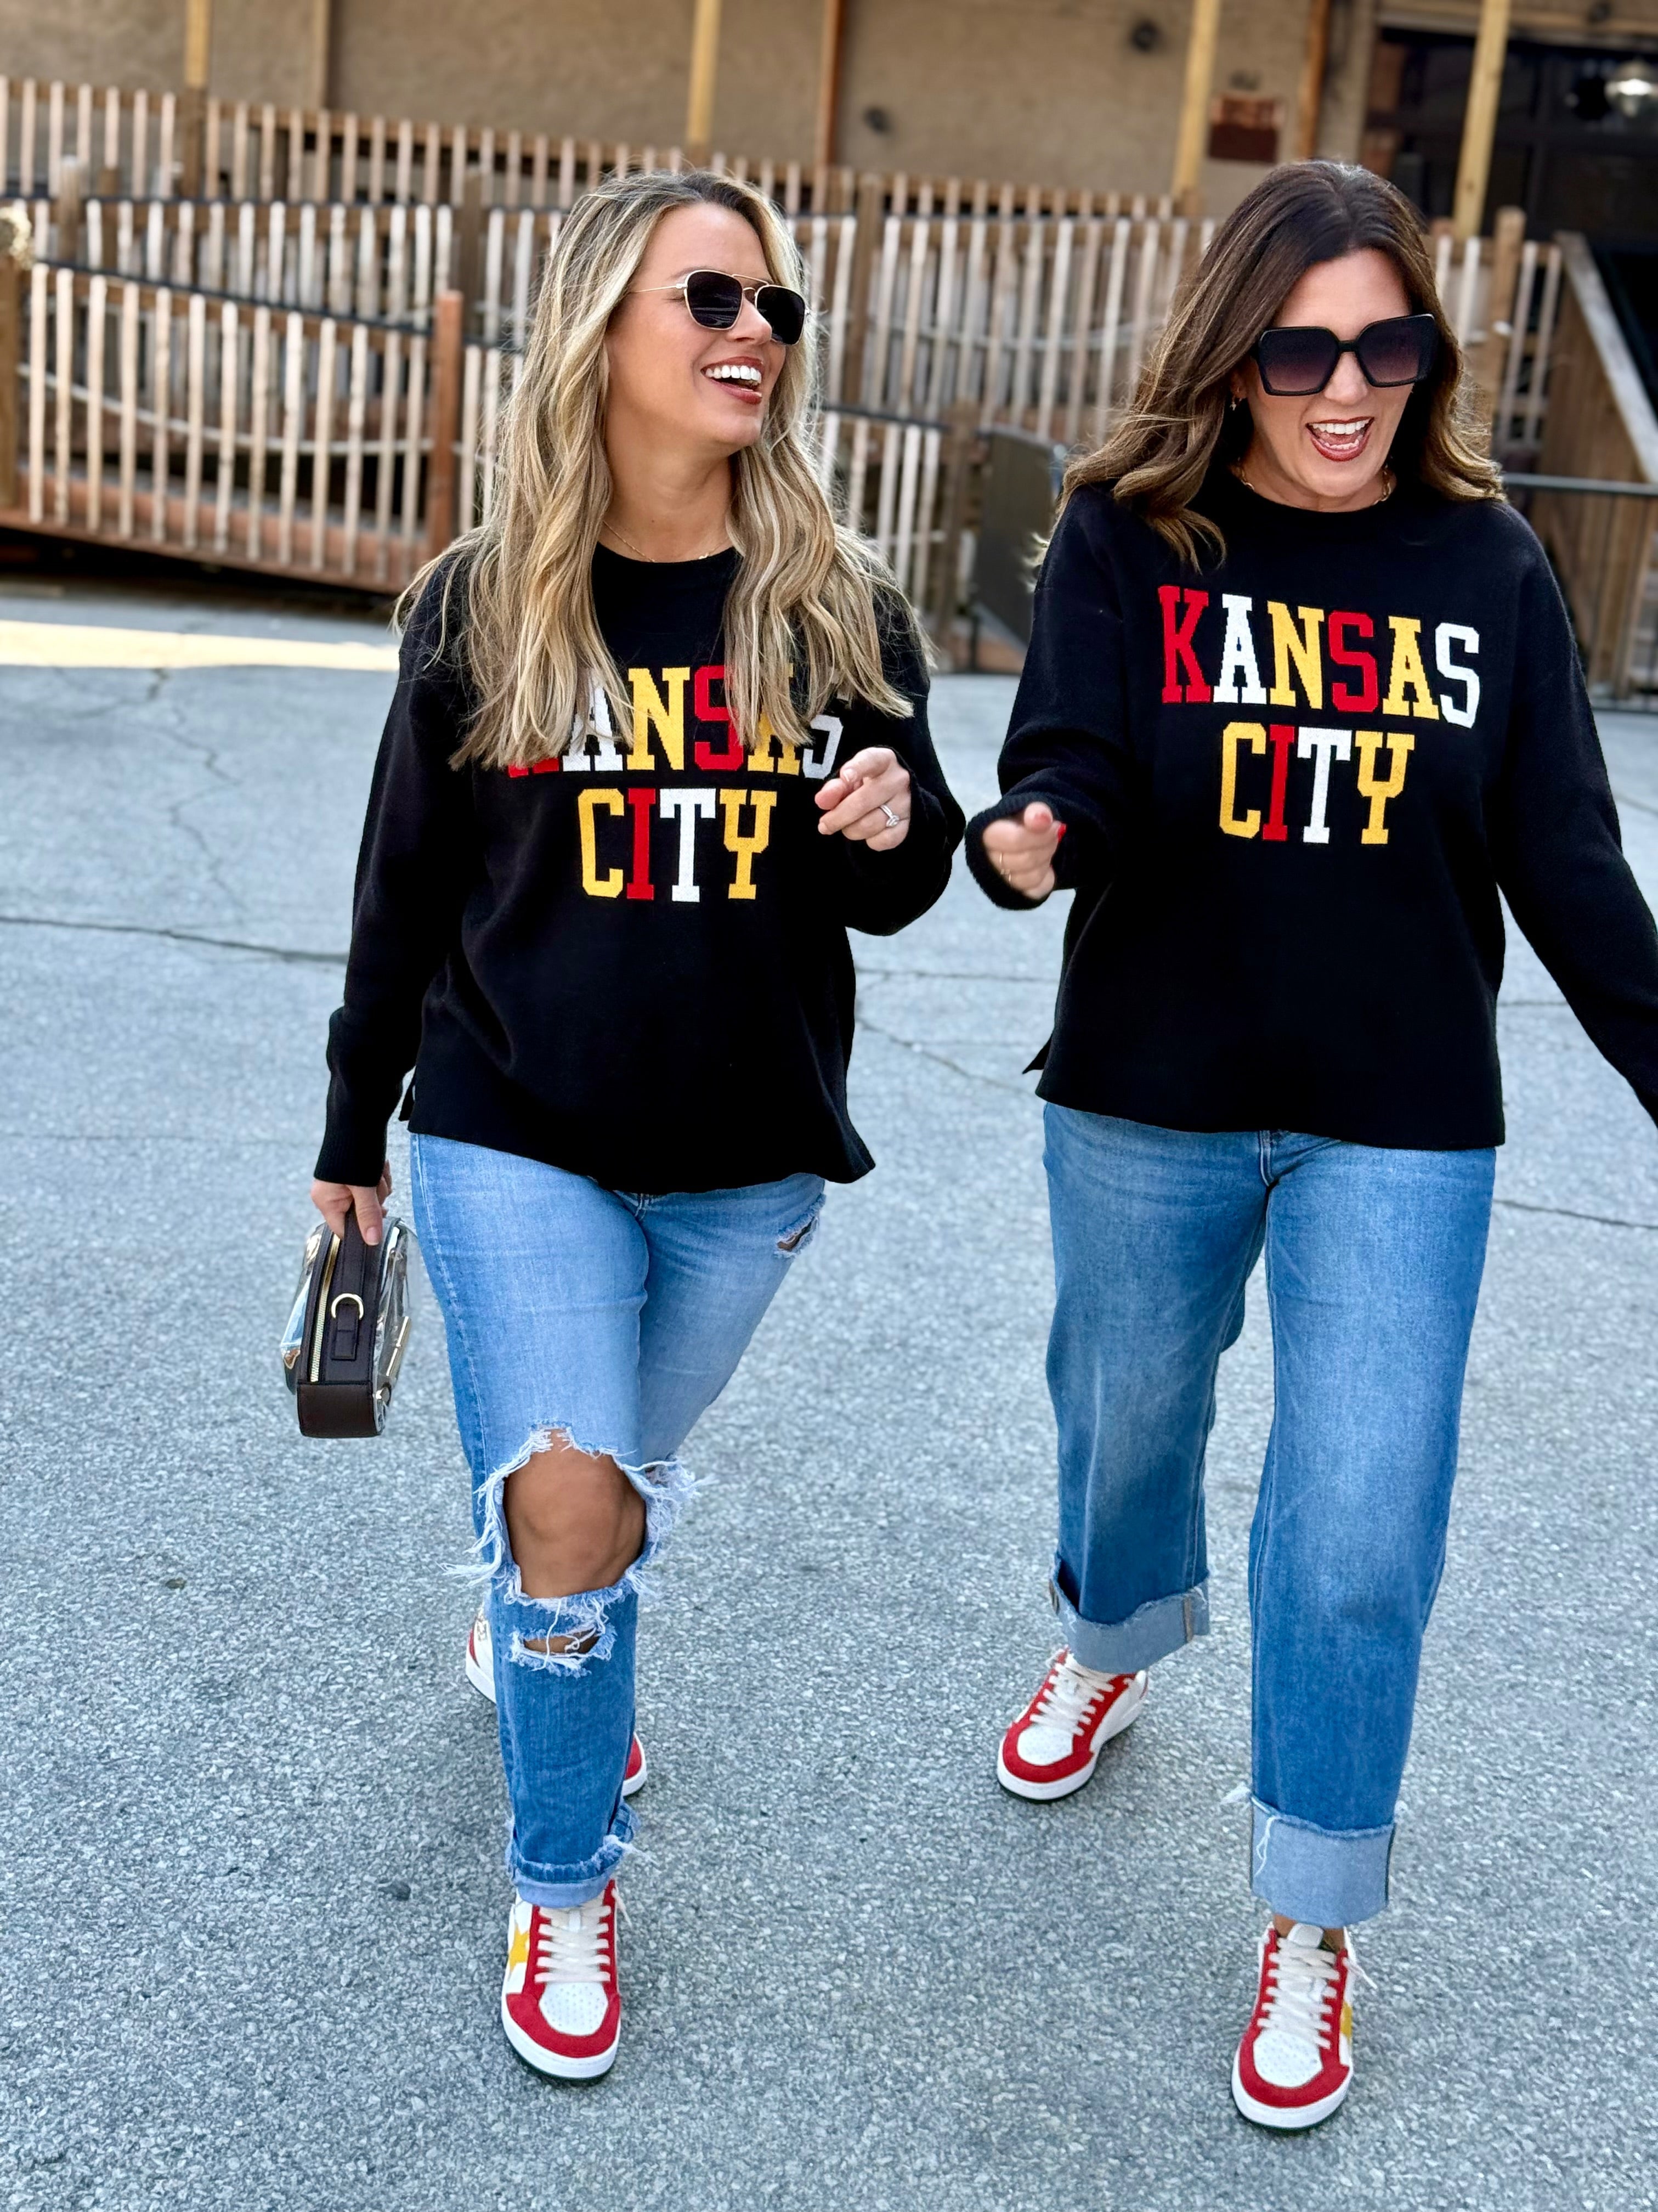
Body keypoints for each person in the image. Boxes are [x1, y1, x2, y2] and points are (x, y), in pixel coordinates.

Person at [966, 161, 1658, 2130]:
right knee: (1124, 1419)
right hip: (1148, 1090)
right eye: (1298, 352)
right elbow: (1074, 757)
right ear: (1232, 354)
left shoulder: (1491, 567)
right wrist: (1037, 839)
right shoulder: (1130, 535)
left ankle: (1312, 1907)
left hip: (1399, 1121)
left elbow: (1570, 868)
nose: (1344, 389)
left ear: (1425, 352)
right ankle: (1113, 1634)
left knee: (1359, 1531)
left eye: (1383, 346)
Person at [310, 167, 962, 2080]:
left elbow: (900, 883)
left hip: (749, 1165)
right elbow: (402, 892)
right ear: (605, 329)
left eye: (775, 308)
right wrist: (351, 1138)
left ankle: (536, 1627)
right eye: (711, 300)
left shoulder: (835, 609)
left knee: (601, 1506)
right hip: (510, 1129)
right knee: (575, 1504)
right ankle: (565, 1879)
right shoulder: (484, 600)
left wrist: (895, 820)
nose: (755, 334)